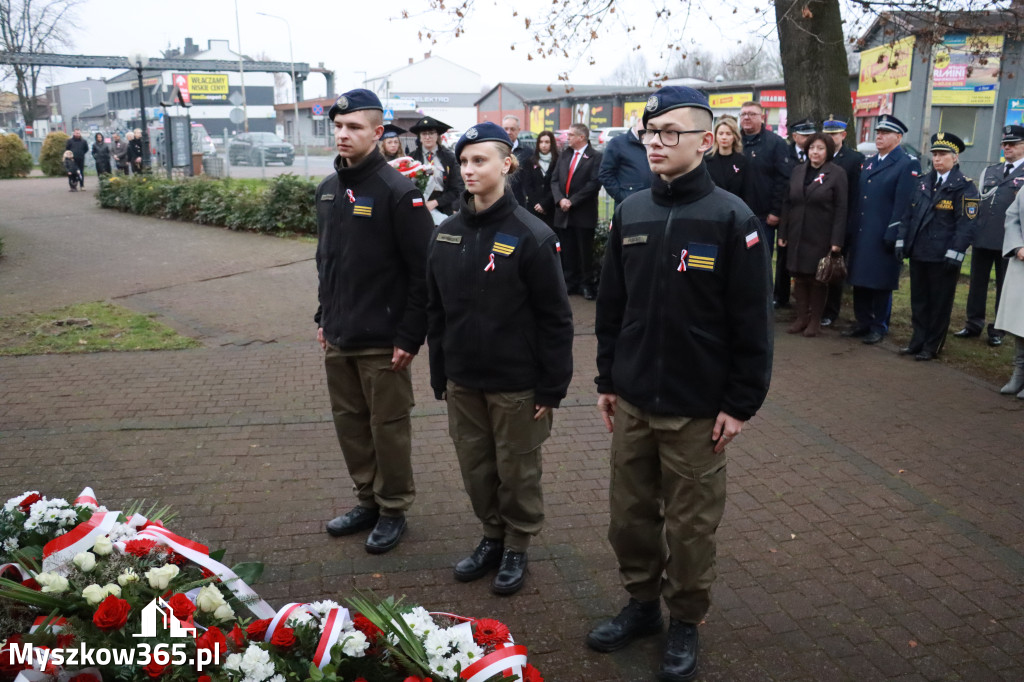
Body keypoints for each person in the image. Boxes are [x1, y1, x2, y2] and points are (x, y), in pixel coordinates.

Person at [588, 86, 773, 682]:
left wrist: (740, 403)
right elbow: (612, 307)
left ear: (703, 139)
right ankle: (643, 607)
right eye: (650, 132)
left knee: (691, 530)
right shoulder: (632, 211)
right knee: (629, 519)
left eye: (670, 132)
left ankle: (685, 621)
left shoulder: (731, 217)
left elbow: (752, 320)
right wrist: (608, 379)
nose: (656, 143)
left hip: (698, 413)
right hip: (635, 402)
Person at [426, 122, 574, 596]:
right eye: (463, 161)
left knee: (517, 471)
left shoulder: (532, 235)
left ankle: (517, 545)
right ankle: (492, 535)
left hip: (517, 383)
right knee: (476, 466)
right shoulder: (446, 234)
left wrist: (551, 387)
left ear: (506, 164)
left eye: (479, 160)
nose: (468, 169)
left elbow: (556, 318)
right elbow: (437, 311)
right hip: (464, 380)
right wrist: (439, 371)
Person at [316, 89, 434, 553]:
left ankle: (392, 508)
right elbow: (327, 262)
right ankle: (367, 499)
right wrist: (323, 316)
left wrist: (410, 334)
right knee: (350, 424)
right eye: (339, 127)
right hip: (339, 335)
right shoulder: (328, 190)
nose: (344, 135)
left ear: (378, 133)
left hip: (384, 342)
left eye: (355, 127)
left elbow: (424, 273)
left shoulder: (398, 192)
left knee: (388, 428)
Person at [894, 132, 979, 361]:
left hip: (943, 256)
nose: (937, 159)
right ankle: (917, 341)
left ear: (955, 157)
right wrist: (901, 242)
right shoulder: (923, 182)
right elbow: (907, 215)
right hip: (919, 252)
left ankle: (932, 346)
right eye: (934, 154)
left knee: (939, 303)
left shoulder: (964, 187)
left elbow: (967, 225)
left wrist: (957, 252)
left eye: (942, 154)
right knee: (919, 300)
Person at [844, 115, 921, 345]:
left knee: (881, 282)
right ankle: (863, 322)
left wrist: (894, 233)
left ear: (898, 137)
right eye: (877, 132)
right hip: (862, 230)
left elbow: (904, 203)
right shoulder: (869, 161)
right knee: (860, 278)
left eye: (885, 133)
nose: (879, 136)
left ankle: (879, 325)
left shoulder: (907, 163)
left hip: (883, 232)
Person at [953, 124, 1024, 347]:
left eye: (1013, 144)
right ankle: (973, 323)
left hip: (1009, 241)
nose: (1007, 147)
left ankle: (998, 329)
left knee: (1004, 287)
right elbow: (979, 203)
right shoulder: (990, 171)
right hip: (983, 237)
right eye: (1005, 144)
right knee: (977, 284)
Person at [778, 132, 847, 337]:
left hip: (821, 234)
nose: (815, 152)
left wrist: (836, 240)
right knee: (798, 276)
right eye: (811, 148)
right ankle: (801, 317)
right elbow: (787, 203)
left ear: (828, 151)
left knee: (817, 278)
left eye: (820, 148)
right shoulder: (798, 171)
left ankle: (815, 320)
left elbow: (842, 208)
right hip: (797, 231)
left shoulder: (836, 173)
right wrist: (783, 231)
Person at [739, 101, 794, 309]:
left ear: (762, 117)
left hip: (763, 216)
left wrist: (776, 210)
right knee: (739, 258)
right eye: (743, 114)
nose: (746, 118)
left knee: (760, 260)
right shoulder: (735, 141)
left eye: (751, 114)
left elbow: (783, 179)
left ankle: (761, 301)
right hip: (738, 214)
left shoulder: (775, 143)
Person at [821, 116, 865, 328]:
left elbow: (856, 195)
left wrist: (849, 225)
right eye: (827, 134)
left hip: (842, 220)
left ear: (843, 136)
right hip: (819, 221)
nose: (830, 138)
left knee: (835, 268)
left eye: (834, 135)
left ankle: (831, 311)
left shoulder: (854, 159)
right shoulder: (818, 155)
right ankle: (816, 307)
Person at [551, 123, 603, 300]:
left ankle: (586, 285)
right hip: (563, 213)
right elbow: (555, 180)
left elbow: (594, 184)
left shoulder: (595, 157)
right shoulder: (565, 155)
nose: (568, 138)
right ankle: (569, 283)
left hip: (583, 213)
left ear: (582, 137)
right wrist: (560, 200)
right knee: (567, 250)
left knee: (584, 252)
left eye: (571, 135)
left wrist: (572, 201)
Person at [994, 183, 1024, 398]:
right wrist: (1018, 246)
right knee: (1019, 321)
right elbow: (1012, 216)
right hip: (1022, 262)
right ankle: (1019, 372)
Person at [410, 116, 463, 218]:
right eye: (424, 134)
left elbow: (457, 187)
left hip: (444, 206)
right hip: (418, 207)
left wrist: (436, 203)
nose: (427, 137)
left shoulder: (449, 157)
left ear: (437, 135)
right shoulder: (412, 158)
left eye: (431, 133)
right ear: (419, 137)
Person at [598, 118, 651, 208]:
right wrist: (621, 196)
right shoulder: (618, 143)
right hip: (628, 205)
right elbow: (605, 173)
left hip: (652, 203)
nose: (647, 127)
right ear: (638, 121)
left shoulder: (653, 143)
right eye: (645, 123)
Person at [704, 115, 750, 206]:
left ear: (734, 136)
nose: (724, 137)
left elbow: (747, 191)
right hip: (711, 209)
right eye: (721, 133)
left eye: (728, 134)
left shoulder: (743, 162)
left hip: (735, 209)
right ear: (715, 136)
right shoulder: (706, 161)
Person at [522, 130, 559, 226]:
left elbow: (558, 184)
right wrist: (537, 204)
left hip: (552, 208)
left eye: (547, 142)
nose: (544, 145)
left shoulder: (558, 161)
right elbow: (528, 185)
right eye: (541, 142)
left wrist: (544, 204)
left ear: (552, 143)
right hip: (534, 207)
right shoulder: (530, 161)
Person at [501, 115, 534, 206]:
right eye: (506, 129)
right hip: (498, 200)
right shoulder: (495, 151)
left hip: (519, 202)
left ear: (519, 130)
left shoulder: (528, 152)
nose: (509, 132)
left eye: (512, 129)